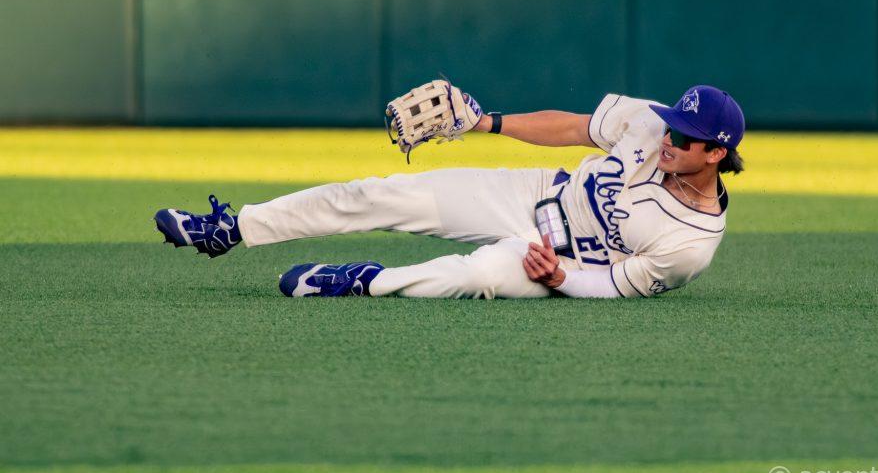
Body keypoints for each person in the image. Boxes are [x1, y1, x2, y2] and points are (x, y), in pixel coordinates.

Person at [154, 84, 745, 299]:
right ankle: (231, 228)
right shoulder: (650, 122)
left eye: (684, 137)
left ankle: (363, 281)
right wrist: (486, 123)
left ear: (715, 154)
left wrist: (562, 278)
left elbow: (615, 285)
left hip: (561, 260)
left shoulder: (690, 245)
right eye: (672, 125)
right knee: (382, 194)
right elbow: (572, 127)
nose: (669, 138)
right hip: (539, 194)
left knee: (474, 275)